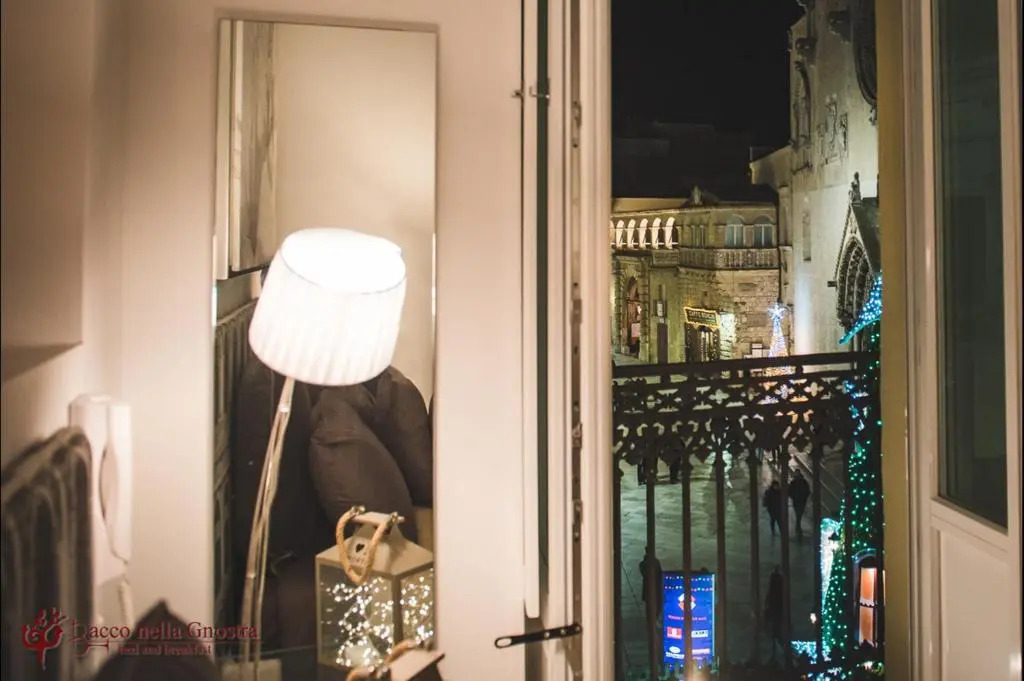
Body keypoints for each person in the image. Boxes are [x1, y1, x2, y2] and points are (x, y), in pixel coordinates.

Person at [764, 566, 786, 662]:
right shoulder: (779, 592)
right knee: (776, 635)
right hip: (776, 614)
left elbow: (768, 603)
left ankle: (776, 656)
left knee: (775, 635)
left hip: (775, 614)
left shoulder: (773, 593)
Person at [788, 470, 811, 538]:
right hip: (798, 500)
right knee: (798, 514)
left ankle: (798, 526)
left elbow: (807, 491)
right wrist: (793, 496)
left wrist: (803, 496)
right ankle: (798, 526)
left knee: (799, 514)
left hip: (800, 500)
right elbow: (790, 491)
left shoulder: (802, 482)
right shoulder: (794, 482)